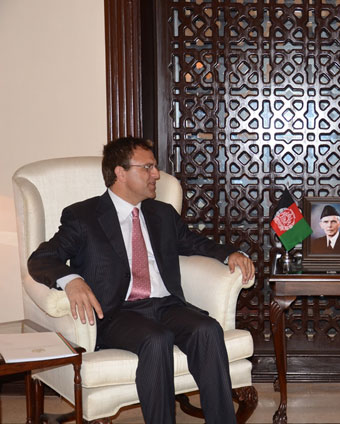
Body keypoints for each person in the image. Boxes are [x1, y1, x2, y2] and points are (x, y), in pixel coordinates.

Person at [27, 137, 255, 424]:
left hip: (166, 305)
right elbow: (41, 258)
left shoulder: (161, 213)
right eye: (147, 167)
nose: (156, 175)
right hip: (117, 312)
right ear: (120, 173)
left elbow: (194, 243)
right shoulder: (83, 216)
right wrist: (72, 280)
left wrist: (230, 253)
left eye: (155, 168)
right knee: (156, 340)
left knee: (207, 329)